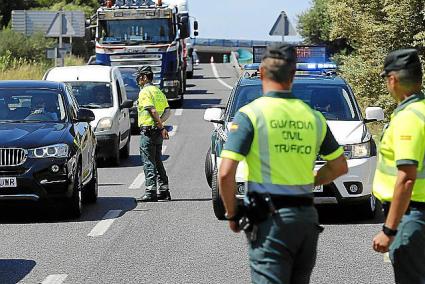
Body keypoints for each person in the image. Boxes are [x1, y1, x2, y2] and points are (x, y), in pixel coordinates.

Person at [218, 44, 348, 284]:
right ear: (293, 75)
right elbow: (340, 166)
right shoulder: (313, 117)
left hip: (271, 220)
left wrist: (233, 215)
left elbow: (225, 174)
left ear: (261, 73)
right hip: (306, 219)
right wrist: (312, 181)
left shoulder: (251, 114)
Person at [372, 49, 425, 283]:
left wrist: (389, 230)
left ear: (392, 80)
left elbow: (406, 177)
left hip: (411, 216)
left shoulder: (408, 118)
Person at [135, 66, 172, 202]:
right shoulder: (158, 91)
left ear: (144, 77)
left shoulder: (145, 92)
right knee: (157, 160)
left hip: (149, 132)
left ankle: (150, 191)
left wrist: (159, 125)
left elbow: (152, 110)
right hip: (156, 131)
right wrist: (161, 126)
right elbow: (167, 111)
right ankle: (164, 190)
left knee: (148, 161)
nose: (138, 79)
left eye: (139, 76)